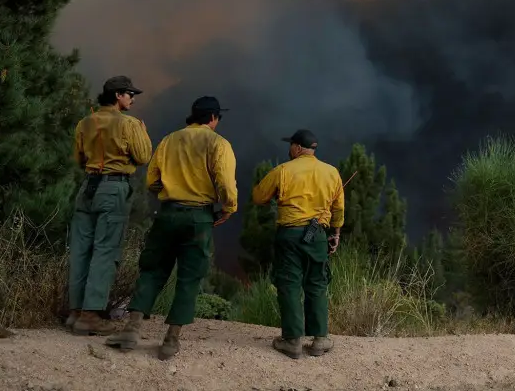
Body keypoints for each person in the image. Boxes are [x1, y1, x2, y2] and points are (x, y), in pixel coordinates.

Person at [105, 96, 237, 360]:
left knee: (153, 269)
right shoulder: (218, 143)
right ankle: (170, 340)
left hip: (167, 214)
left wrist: (168, 194)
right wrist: (229, 207)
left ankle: (131, 331)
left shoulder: (169, 140)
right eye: (218, 117)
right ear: (212, 118)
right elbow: (224, 181)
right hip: (199, 217)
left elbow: (152, 179)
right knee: (189, 277)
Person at [67, 75, 151, 335]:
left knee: (81, 250)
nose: (133, 98)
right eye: (129, 94)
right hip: (114, 189)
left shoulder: (85, 122)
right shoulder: (130, 124)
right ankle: (91, 315)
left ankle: (75, 312)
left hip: (87, 188)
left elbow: (79, 159)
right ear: (118, 95)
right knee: (105, 251)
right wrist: (143, 133)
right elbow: (143, 156)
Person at [251, 129, 346, 359]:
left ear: (296, 148)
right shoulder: (331, 172)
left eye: (291, 145)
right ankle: (320, 340)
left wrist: (276, 195)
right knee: (317, 283)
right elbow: (339, 209)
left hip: (289, 235)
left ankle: (292, 341)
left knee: (290, 284)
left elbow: (258, 197)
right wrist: (335, 233)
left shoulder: (283, 170)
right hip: (318, 236)